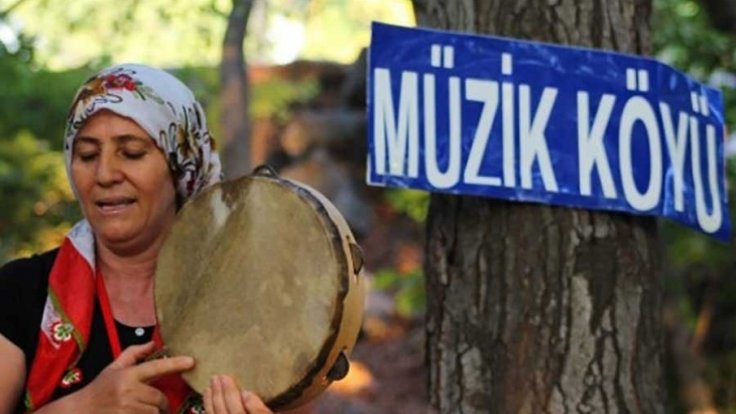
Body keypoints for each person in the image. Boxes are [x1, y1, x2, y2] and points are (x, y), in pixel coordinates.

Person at [0, 64, 272, 414]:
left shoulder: (252, 299)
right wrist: (82, 407)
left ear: (182, 166)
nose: (105, 174)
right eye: (87, 155)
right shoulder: (20, 292)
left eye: (131, 153)